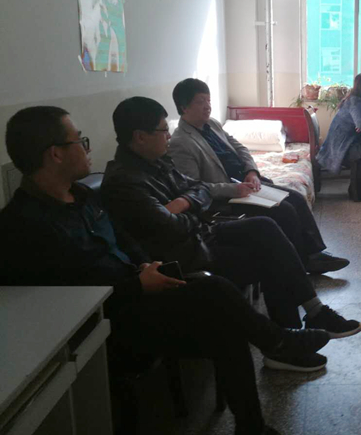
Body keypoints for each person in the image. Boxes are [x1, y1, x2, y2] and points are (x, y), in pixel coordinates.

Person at [0, 106, 332, 435]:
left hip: (142, 282)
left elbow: (124, 237)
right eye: (79, 141)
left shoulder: (81, 195)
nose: (87, 149)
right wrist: (136, 284)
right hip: (112, 320)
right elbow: (68, 301)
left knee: (227, 314)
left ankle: (254, 418)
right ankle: (278, 342)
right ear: (56, 154)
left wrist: (144, 264)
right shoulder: (24, 227)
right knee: (217, 292)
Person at [100, 97, 361, 371]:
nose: (167, 135)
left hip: (198, 233)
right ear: (140, 137)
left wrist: (182, 203)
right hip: (184, 253)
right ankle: (284, 342)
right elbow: (172, 226)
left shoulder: (157, 162)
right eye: (162, 130)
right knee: (270, 254)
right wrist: (192, 207)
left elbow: (198, 188)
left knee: (265, 227)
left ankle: (311, 314)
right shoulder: (125, 182)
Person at [167, 78, 348, 275]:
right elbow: (194, 188)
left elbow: (240, 148)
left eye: (208, 100)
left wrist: (251, 172)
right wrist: (233, 189)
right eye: (200, 102)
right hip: (227, 197)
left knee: (295, 197)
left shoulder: (212, 124)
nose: (207, 106)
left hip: (246, 181)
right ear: (184, 107)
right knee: (284, 210)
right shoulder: (181, 142)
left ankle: (314, 254)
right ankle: (303, 262)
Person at [316, 73, 361, 201]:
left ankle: (359, 188)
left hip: (350, 142)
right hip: (340, 146)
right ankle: (356, 192)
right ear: (360, 88)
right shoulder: (355, 100)